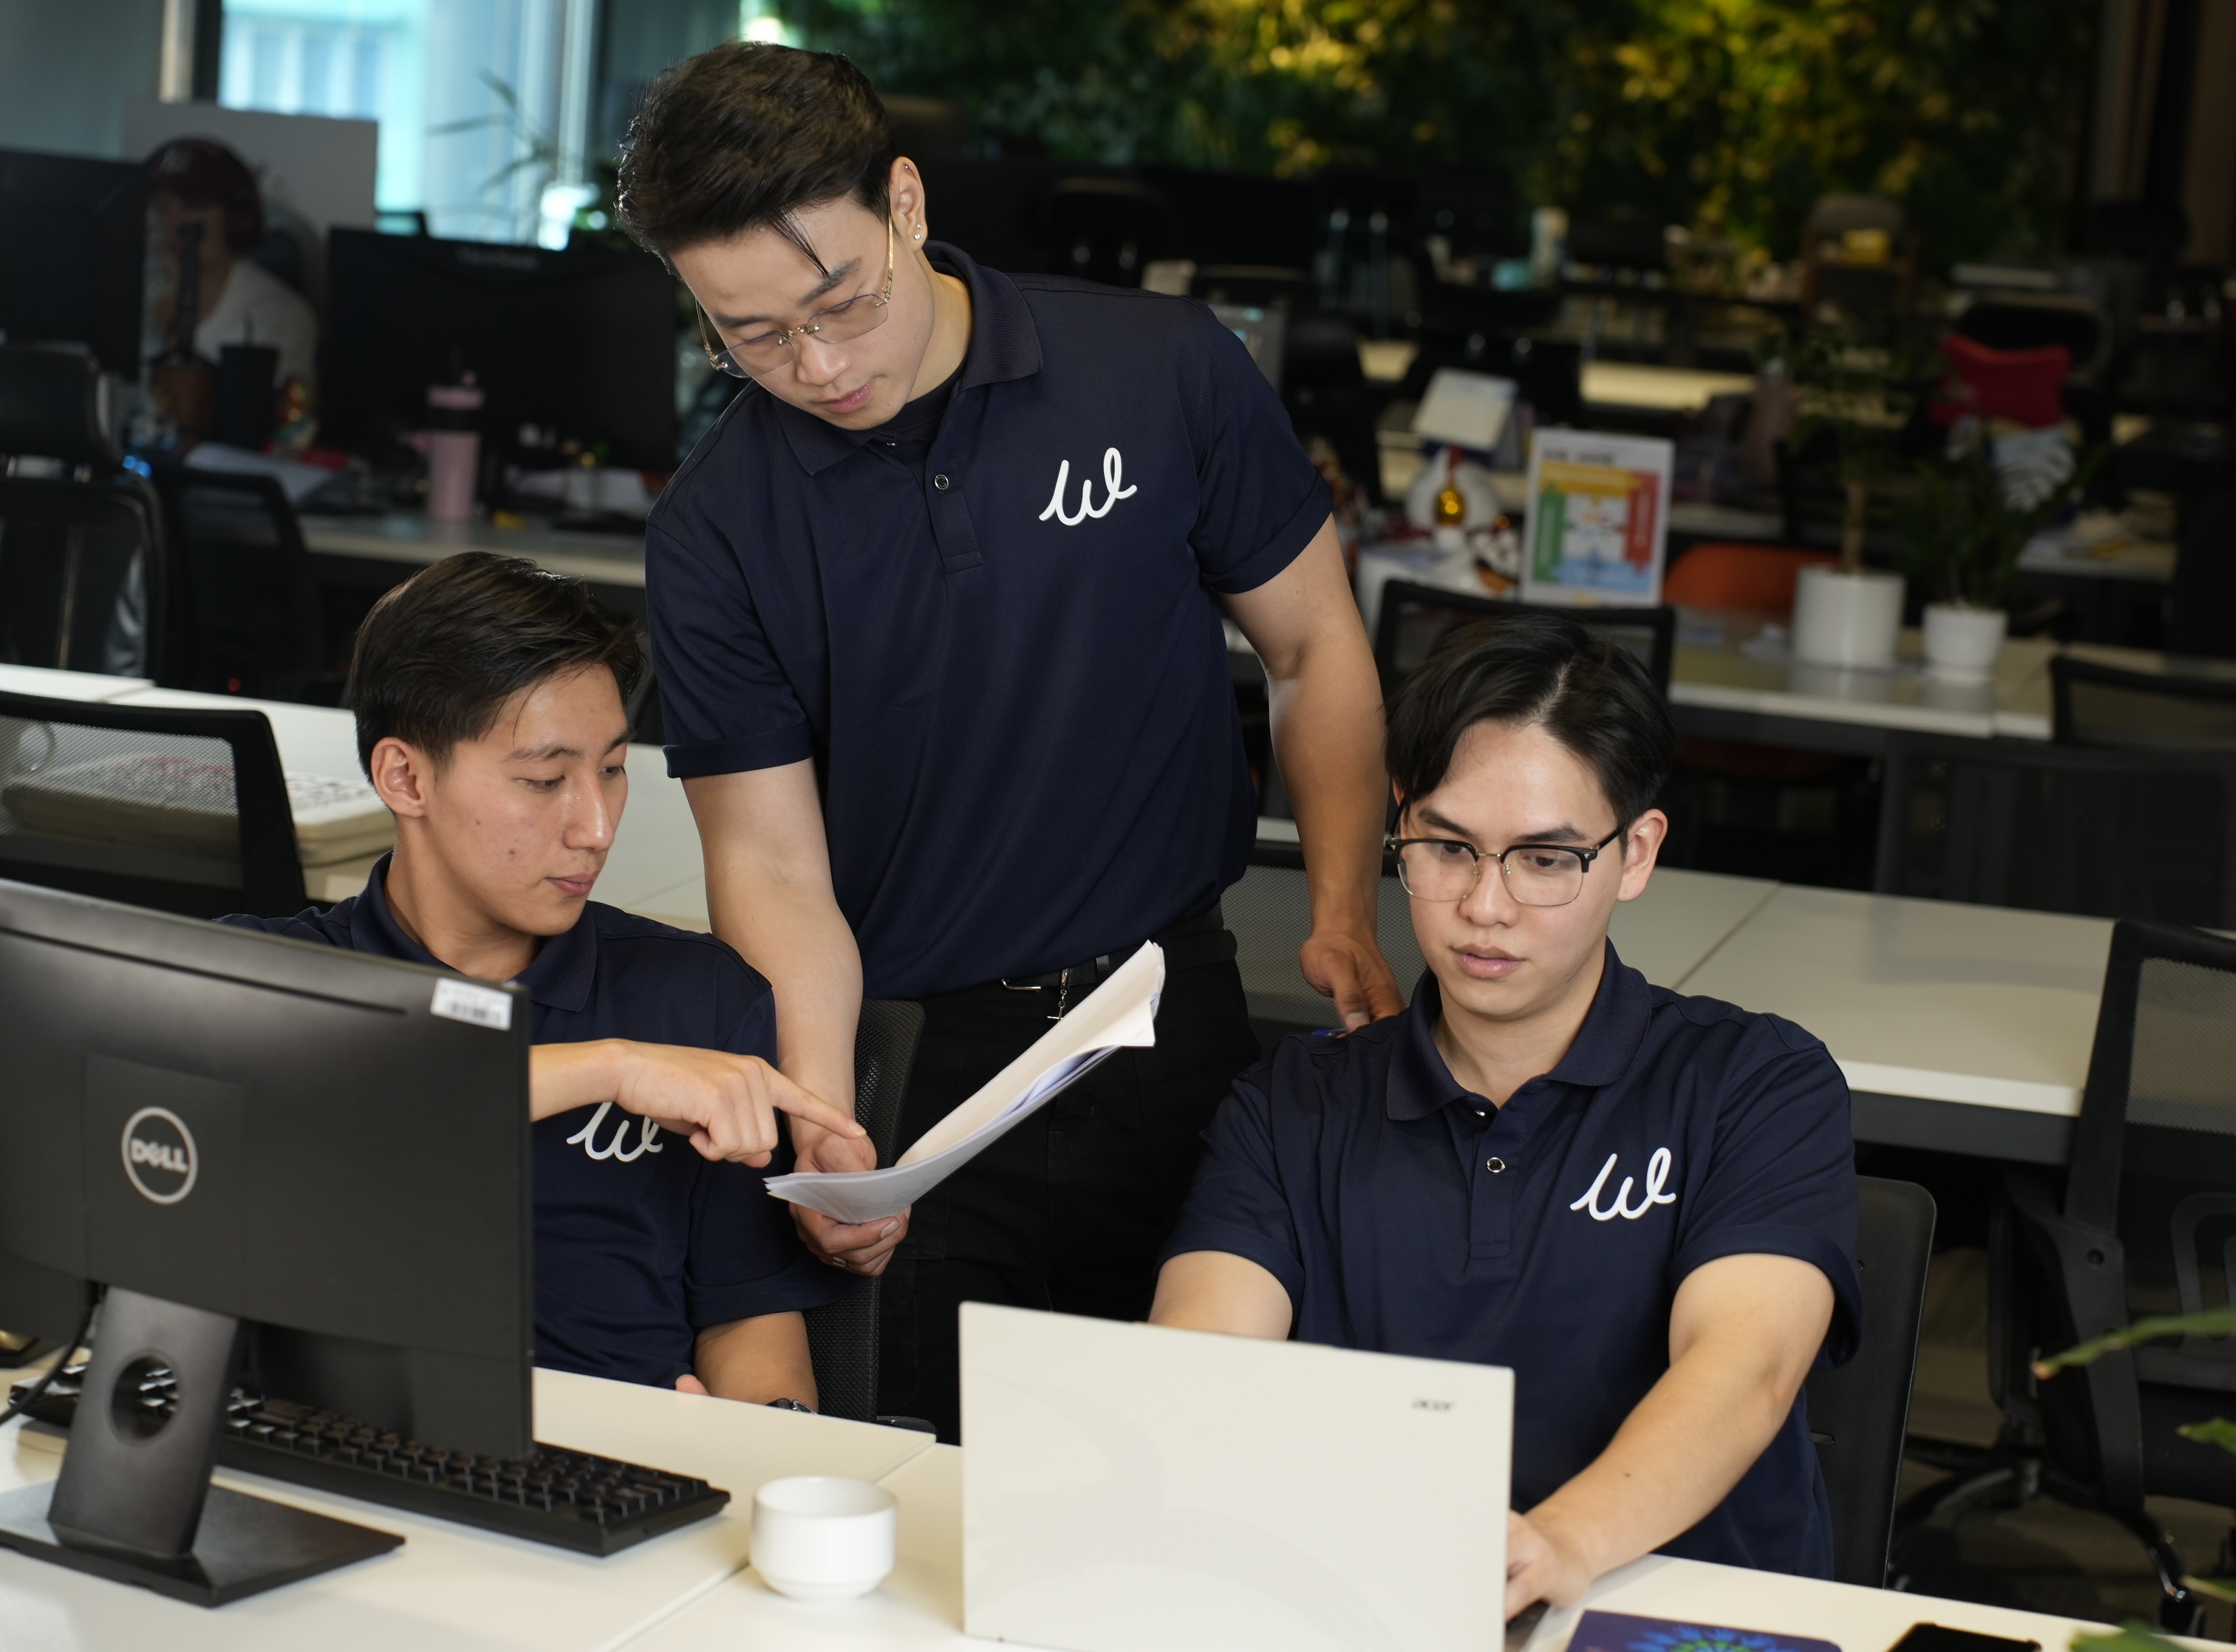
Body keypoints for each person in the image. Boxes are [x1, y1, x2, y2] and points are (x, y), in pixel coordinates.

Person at [613, 44, 1399, 1439]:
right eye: (752, 337)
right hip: (920, 1066)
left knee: (1190, 1458)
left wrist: (1341, 905)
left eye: (840, 303)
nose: (819, 366)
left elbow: (1313, 645)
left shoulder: (1159, 370)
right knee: (936, 1480)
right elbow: (772, 868)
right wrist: (825, 1120)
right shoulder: (716, 530)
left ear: (907, 203)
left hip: (1168, 1016)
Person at [1151, 615, 1861, 1616]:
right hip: (1377, 1605)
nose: (1485, 905)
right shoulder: (1292, 1106)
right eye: (1448, 847)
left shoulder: (1755, 1085)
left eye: (1545, 859)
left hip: (1682, 1621)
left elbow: (1744, 1369)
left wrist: (1560, 1544)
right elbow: (1197, 1368)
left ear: (1635, 853)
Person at [222, 552, 865, 1406]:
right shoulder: (266, 978)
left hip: (618, 1461)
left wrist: (753, 1444)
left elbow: (751, 1327)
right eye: (544, 780)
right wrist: (613, 1068)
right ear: (405, 778)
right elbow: (340, 1096)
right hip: (340, 1454)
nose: (596, 827)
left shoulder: (700, 999)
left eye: (612, 768)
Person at [141, 138, 318, 446]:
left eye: (191, 207)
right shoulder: (137, 290)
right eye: (161, 207)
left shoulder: (280, 315)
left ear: (234, 219)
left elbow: (284, 436)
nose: (172, 224)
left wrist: (181, 315)